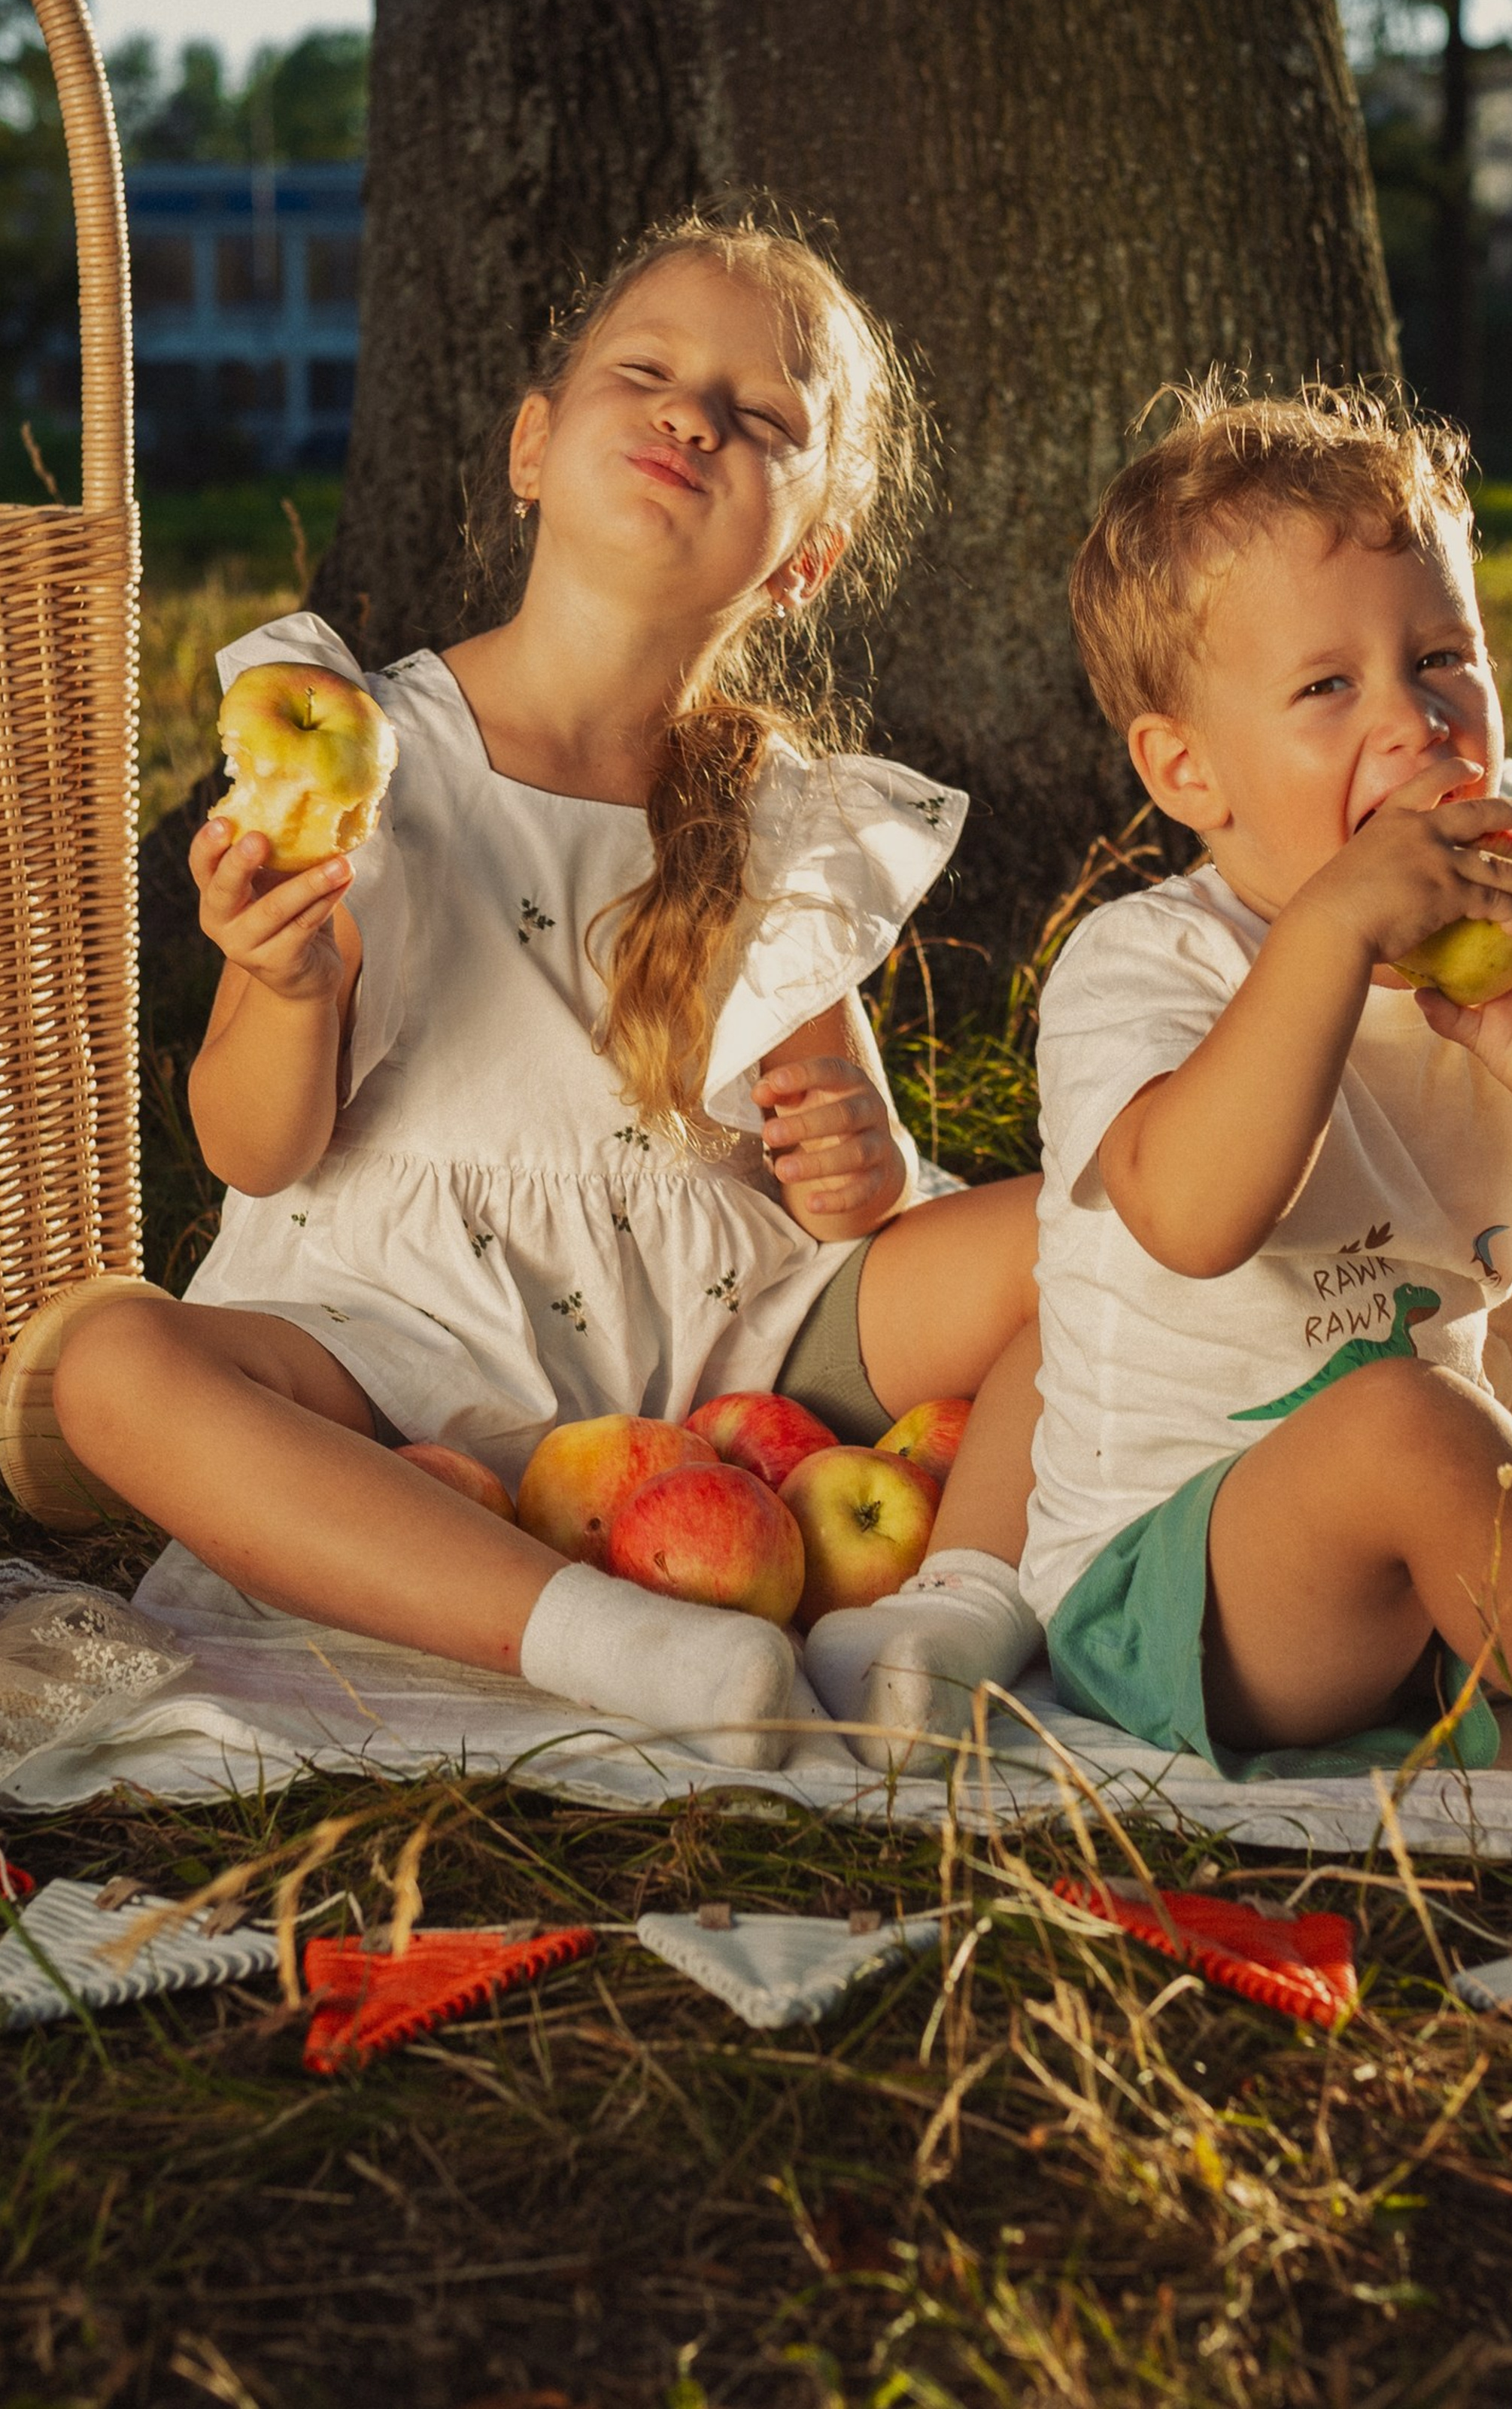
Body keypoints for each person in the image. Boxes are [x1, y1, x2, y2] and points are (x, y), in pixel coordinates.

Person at [50, 211, 1040, 1768]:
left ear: (808, 559)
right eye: (645, 372)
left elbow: (846, 1167)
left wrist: (860, 1165)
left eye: (760, 416)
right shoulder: (361, 755)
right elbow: (252, 1150)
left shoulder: (781, 816)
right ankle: (615, 1641)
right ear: (531, 447)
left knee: (1099, 1229)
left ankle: (946, 1620)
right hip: (399, 1348)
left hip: (739, 1352)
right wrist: (281, 981)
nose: (690, 417)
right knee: (113, 1367)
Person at [889, 378, 1512, 1824]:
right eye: (1329, 688)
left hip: (1452, 1547)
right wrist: (1331, 933)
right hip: (1193, 1595)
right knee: (1406, 1420)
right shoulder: (1145, 965)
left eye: (1442, 658)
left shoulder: (1504, 939)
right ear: (1189, 769)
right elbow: (1193, 1218)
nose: (1414, 718)